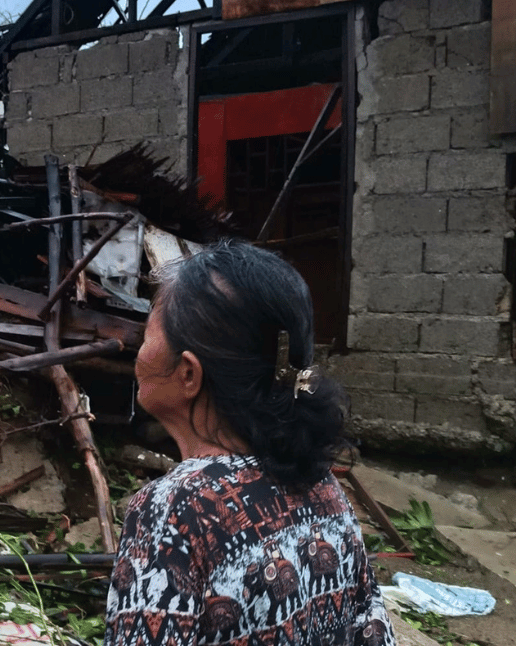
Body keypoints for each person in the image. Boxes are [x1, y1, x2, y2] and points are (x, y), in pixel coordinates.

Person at [105, 240, 395, 646]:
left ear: (189, 374)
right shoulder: (326, 491)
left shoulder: (175, 511)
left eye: (148, 334)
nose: (139, 352)